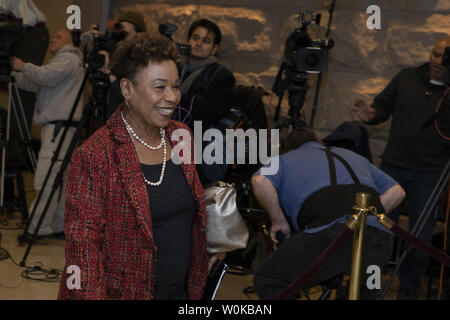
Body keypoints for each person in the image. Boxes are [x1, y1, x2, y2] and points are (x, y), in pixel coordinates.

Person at [58, 32, 221, 300]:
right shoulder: (95, 155)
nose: (172, 97)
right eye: (159, 87)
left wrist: (212, 243)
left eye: (175, 86)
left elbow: (189, 210)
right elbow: (83, 249)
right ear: (126, 89)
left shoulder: (181, 136)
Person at [251, 123, 405, 300]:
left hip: (330, 236)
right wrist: (363, 215)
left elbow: (259, 181)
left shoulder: (285, 159)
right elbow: (397, 192)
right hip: (379, 241)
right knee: (367, 290)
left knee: (269, 278)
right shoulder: (355, 156)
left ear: (289, 148)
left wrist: (278, 221)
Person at [353, 36, 450, 299]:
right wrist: (370, 115)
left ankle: (409, 287)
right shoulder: (407, 77)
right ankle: (370, 282)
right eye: (435, 53)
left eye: (445, 56)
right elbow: (382, 107)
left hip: (429, 173)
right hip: (392, 167)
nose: (438, 61)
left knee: (420, 235)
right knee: (380, 228)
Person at [11, 29, 84, 243]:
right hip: (64, 129)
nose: (53, 39)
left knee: (47, 176)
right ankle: (56, 224)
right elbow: (37, 83)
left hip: (58, 129)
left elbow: (45, 76)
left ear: (70, 42)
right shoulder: (68, 63)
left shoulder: (68, 58)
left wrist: (22, 66)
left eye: (59, 37)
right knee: (61, 178)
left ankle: (38, 228)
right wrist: (15, 75)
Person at [175, 18, 235, 185]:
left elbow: (210, 112)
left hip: (197, 146)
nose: (199, 43)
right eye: (195, 38)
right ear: (188, 41)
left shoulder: (221, 76)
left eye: (206, 41)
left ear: (215, 48)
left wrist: (175, 96)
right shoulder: (175, 68)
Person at [101, 10, 147, 121]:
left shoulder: (142, 56)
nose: (124, 39)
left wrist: (110, 74)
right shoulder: (117, 51)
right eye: (121, 35)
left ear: (139, 33)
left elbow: (130, 98)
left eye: (127, 34)